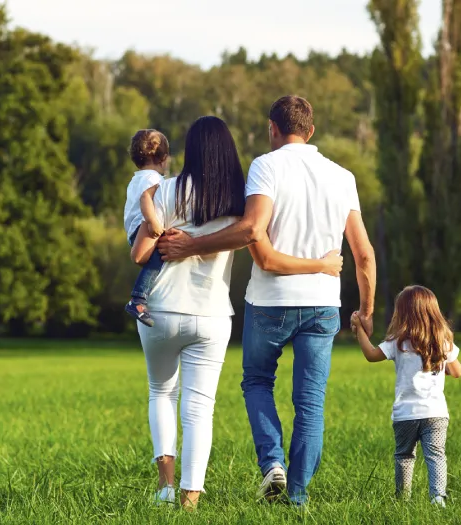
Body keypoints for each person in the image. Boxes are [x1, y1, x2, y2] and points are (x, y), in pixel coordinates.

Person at [157, 96, 376, 506]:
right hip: (323, 304)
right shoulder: (342, 176)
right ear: (311, 131)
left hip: (270, 302)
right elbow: (363, 253)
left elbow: (252, 229)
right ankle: (296, 497)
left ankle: (272, 464)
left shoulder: (266, 166)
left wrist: (191, 246)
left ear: (272, 128)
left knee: (257, 381)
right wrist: (365, 310)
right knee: (310, 401)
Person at [350, 285, 461, 507]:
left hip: (405, 415)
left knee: (404, 456)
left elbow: (372, 355)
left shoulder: (398, 341)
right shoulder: (442, 342)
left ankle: (403, 499)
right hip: (436, 413)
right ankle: (438, 498)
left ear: (401, 313)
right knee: (436, 456)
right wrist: (440, 364)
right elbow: (457, 371)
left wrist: (360, 331)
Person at [123, 129, 170, 327]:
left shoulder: (136, 179)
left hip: (133, 232)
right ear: (164, 158)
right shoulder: (154, 179)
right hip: (144, 229)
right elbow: (146, 201)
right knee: (159, 256)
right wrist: (153, 222)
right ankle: (138, 299)